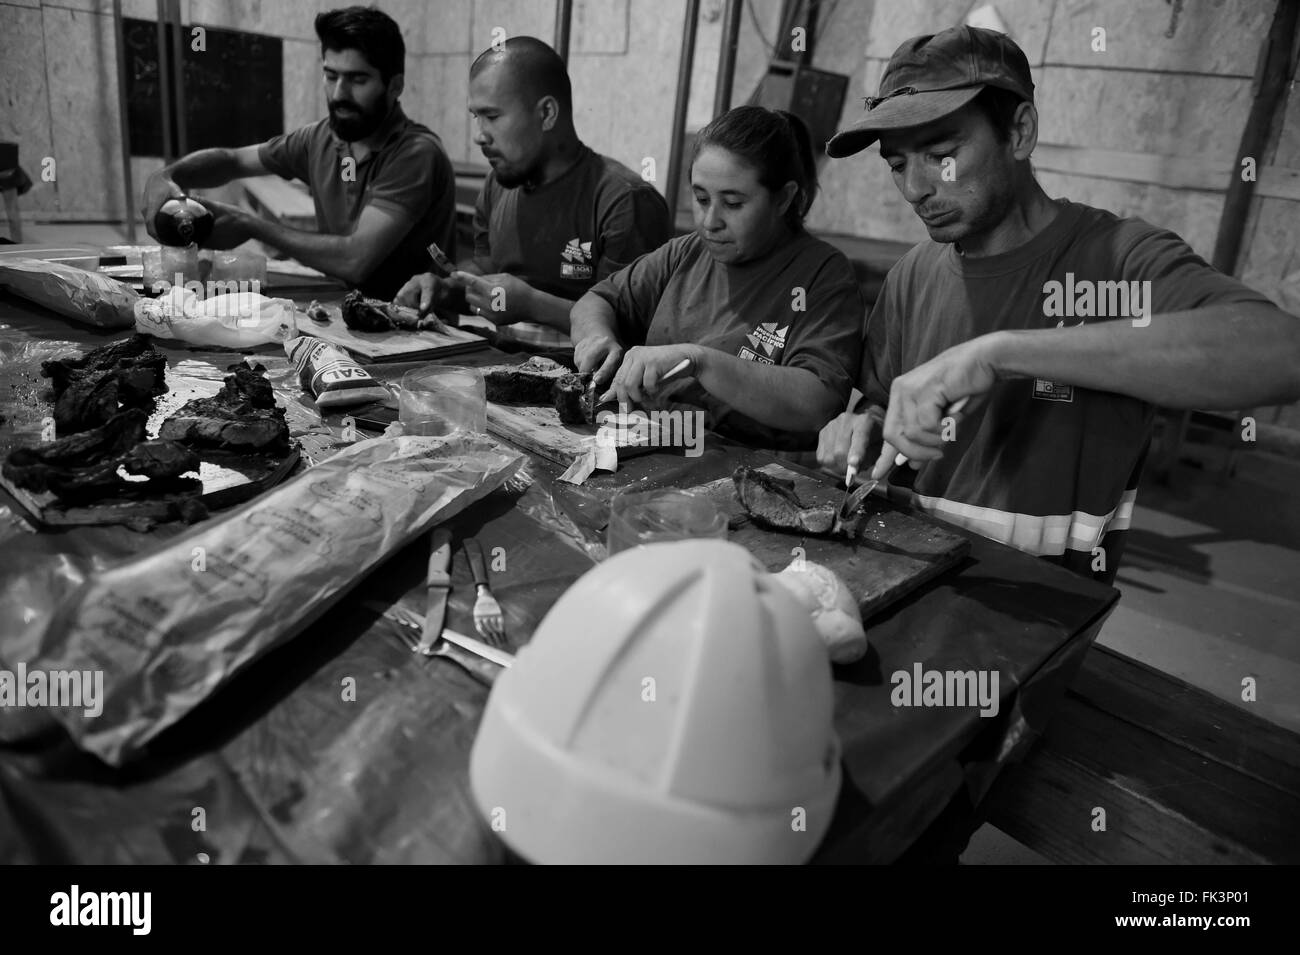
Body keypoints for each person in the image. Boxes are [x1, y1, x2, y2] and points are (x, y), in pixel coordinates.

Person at [817, 25, 1300, 585]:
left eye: (942, 155)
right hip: (915, 582)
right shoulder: (914, 275)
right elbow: (882, 406)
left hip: (1045, 611)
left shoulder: (1115, 261)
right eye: (897, 164)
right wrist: (860, 428)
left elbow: (1280, 352)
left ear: (1019, 132)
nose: (914, 189)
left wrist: (1002, 354)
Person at [568, 106, 865, 452]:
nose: (710, 221)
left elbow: (816, 404)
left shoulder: (822, 276)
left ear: (783, 198)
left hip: (755, 471)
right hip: (653, 450)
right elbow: (597, 301)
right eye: (701, 198)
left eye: (733, 203)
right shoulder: (687, 253)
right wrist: (597, 339)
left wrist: (699, 360)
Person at [140, 6, 456, 299]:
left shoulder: (416, 153)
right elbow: (233, 160)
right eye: (331, 76)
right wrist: (168, 175)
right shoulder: (319, 139)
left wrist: (250, 225)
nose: (338, 93)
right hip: (350, 312)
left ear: (395, 86)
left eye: (358, 79)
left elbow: (356, 260)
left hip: (420, 333)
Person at [395, 36, 673, 350]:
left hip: (586, 383)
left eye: (493, 117)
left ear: (546, 114)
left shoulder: (624, 201)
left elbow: (633, 324)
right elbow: (488, 269)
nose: (479, 136)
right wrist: (445, 288)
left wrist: (533, 305)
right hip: (502, 368)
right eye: (476, 117)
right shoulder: (497, 185)